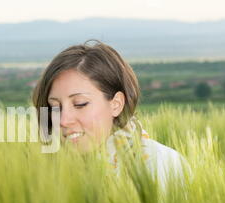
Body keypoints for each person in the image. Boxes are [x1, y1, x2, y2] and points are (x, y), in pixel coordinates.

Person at [32, 39, 191, 191]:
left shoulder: (159, 164)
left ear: (116, 104)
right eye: (54, 107)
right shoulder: (39, 169)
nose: (63, 120)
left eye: (80, 103)